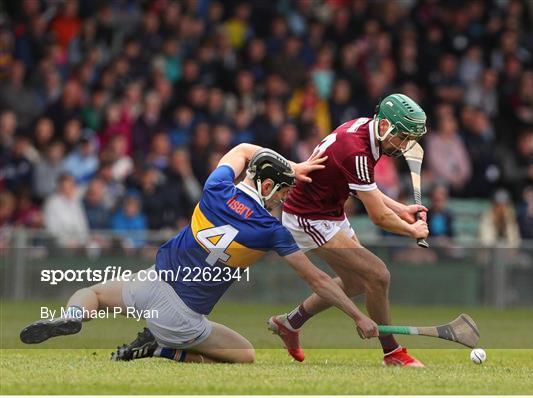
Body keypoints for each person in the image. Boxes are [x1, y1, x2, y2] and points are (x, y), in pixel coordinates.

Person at [20, 144, 378, 364]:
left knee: (93, 294)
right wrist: (357, 316)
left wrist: (289, 165)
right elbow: (318, 280)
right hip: (180, 316)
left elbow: (241, 150)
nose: (283, 198)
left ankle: (73, 316)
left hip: (150, 282)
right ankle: (161, 349)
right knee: (246, 354)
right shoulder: (270, 230)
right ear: (267, 185)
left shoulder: (216, 186)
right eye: (282, 190)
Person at [269, 93, 430, 367]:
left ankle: (290, 323)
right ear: (384, 126)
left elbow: (364, 187)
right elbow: (378, 217)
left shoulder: (366, 132)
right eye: (402, 137)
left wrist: (401, 209)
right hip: (309, 217)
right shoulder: (356, 149)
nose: (404, 146)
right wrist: (411, 230)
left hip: (331, 211)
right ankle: (392, 352)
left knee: (356, 282)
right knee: (378, 275)